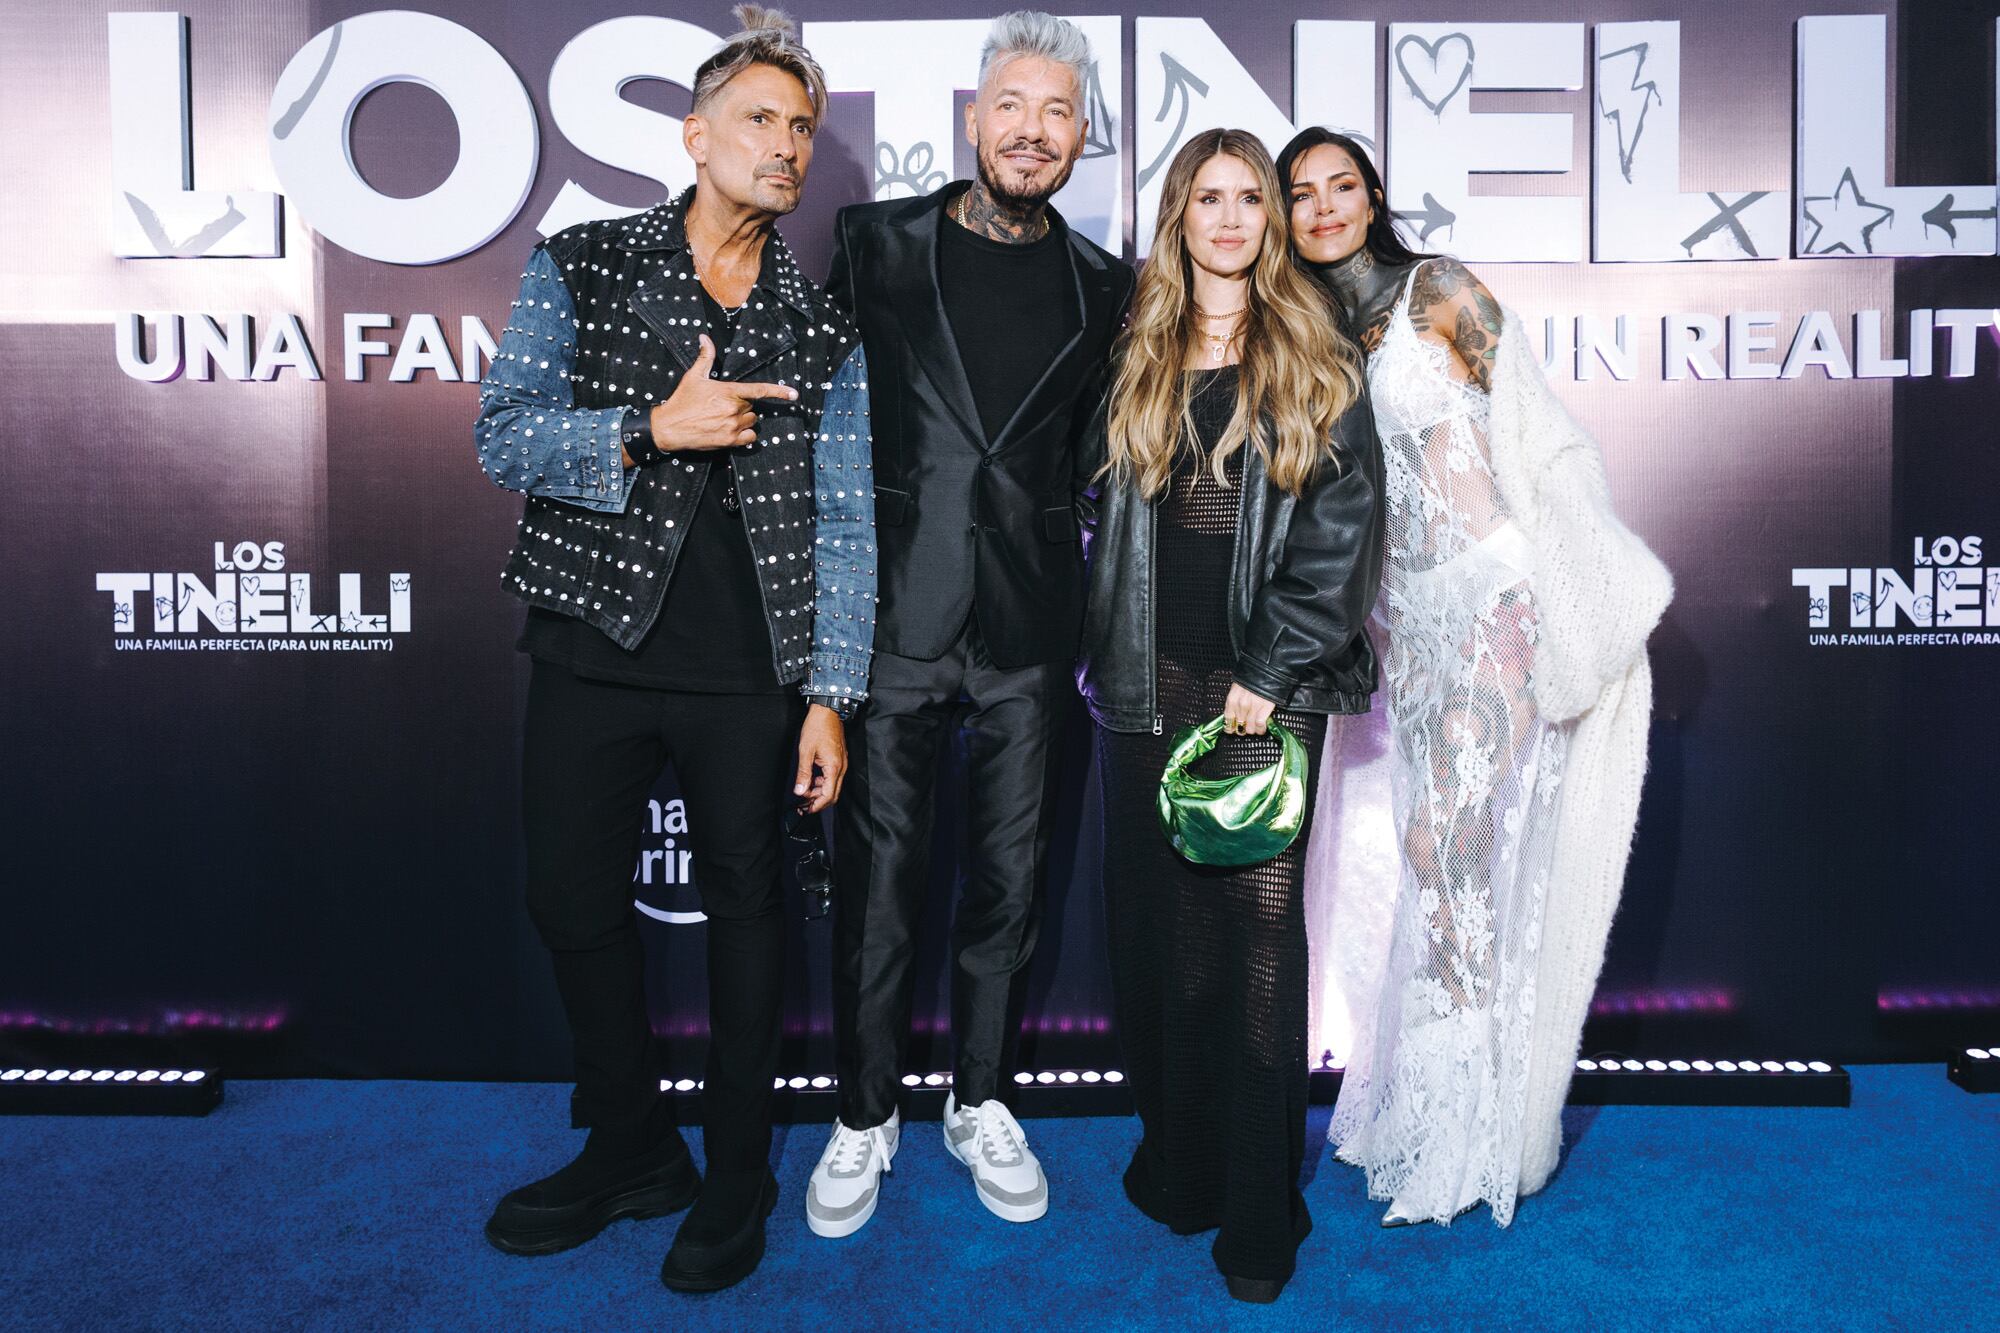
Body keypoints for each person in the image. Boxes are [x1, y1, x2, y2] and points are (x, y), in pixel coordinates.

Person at [472, 8, 875, 1292]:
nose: (785, 145)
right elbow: (502, 435)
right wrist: (648, 428)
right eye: (759, 119)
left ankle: (738, 1168)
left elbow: (846, 523)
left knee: (747, 923)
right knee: (569, 901)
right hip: (590, 642)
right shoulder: (583, 261)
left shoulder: (821, 329)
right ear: (694, 136)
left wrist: (831, 694)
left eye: (801, 127)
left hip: (748, 673)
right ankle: (631, 1144)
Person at [1280, 128, 1670, 1228]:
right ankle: (1434, 1103)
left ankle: (1472, 1133)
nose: (1323, 207)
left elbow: (1538, 430)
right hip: (1409, 625)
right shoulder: (1305, 329)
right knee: (1437, 859)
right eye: (1300, 193)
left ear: (1373, 197)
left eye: (1341, 186)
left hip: (1497, 595)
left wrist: (1577, 570)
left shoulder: (1439, 292)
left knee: (1443, 843)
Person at [806, 10, 1135, 1239]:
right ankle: (863, 1110)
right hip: (894, 611)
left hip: (1031, 626)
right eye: (1012, 106)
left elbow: (1096, 457)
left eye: (1056, 113)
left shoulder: (1105, 286)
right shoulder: (872, 243)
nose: (1031, 131)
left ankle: (979, 1095)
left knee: (1008, 881)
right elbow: (819, 422)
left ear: (1083, 135)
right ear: (973, 117)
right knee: (877, 883)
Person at [1077, 128, 1383, 1304]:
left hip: (1267, 683)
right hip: (1145, 681)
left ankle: (1258, 1205)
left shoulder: (1312, 349)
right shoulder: (1134, 352)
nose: (1226, 217)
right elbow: (1089, 517)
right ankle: (1183, 1164)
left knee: (1258, 941)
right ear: (1178, 216)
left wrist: (1269, 666)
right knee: (1166, 942)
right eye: (1205, 197)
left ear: (1268, 219)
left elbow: (1343, 536)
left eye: (1247, 197)